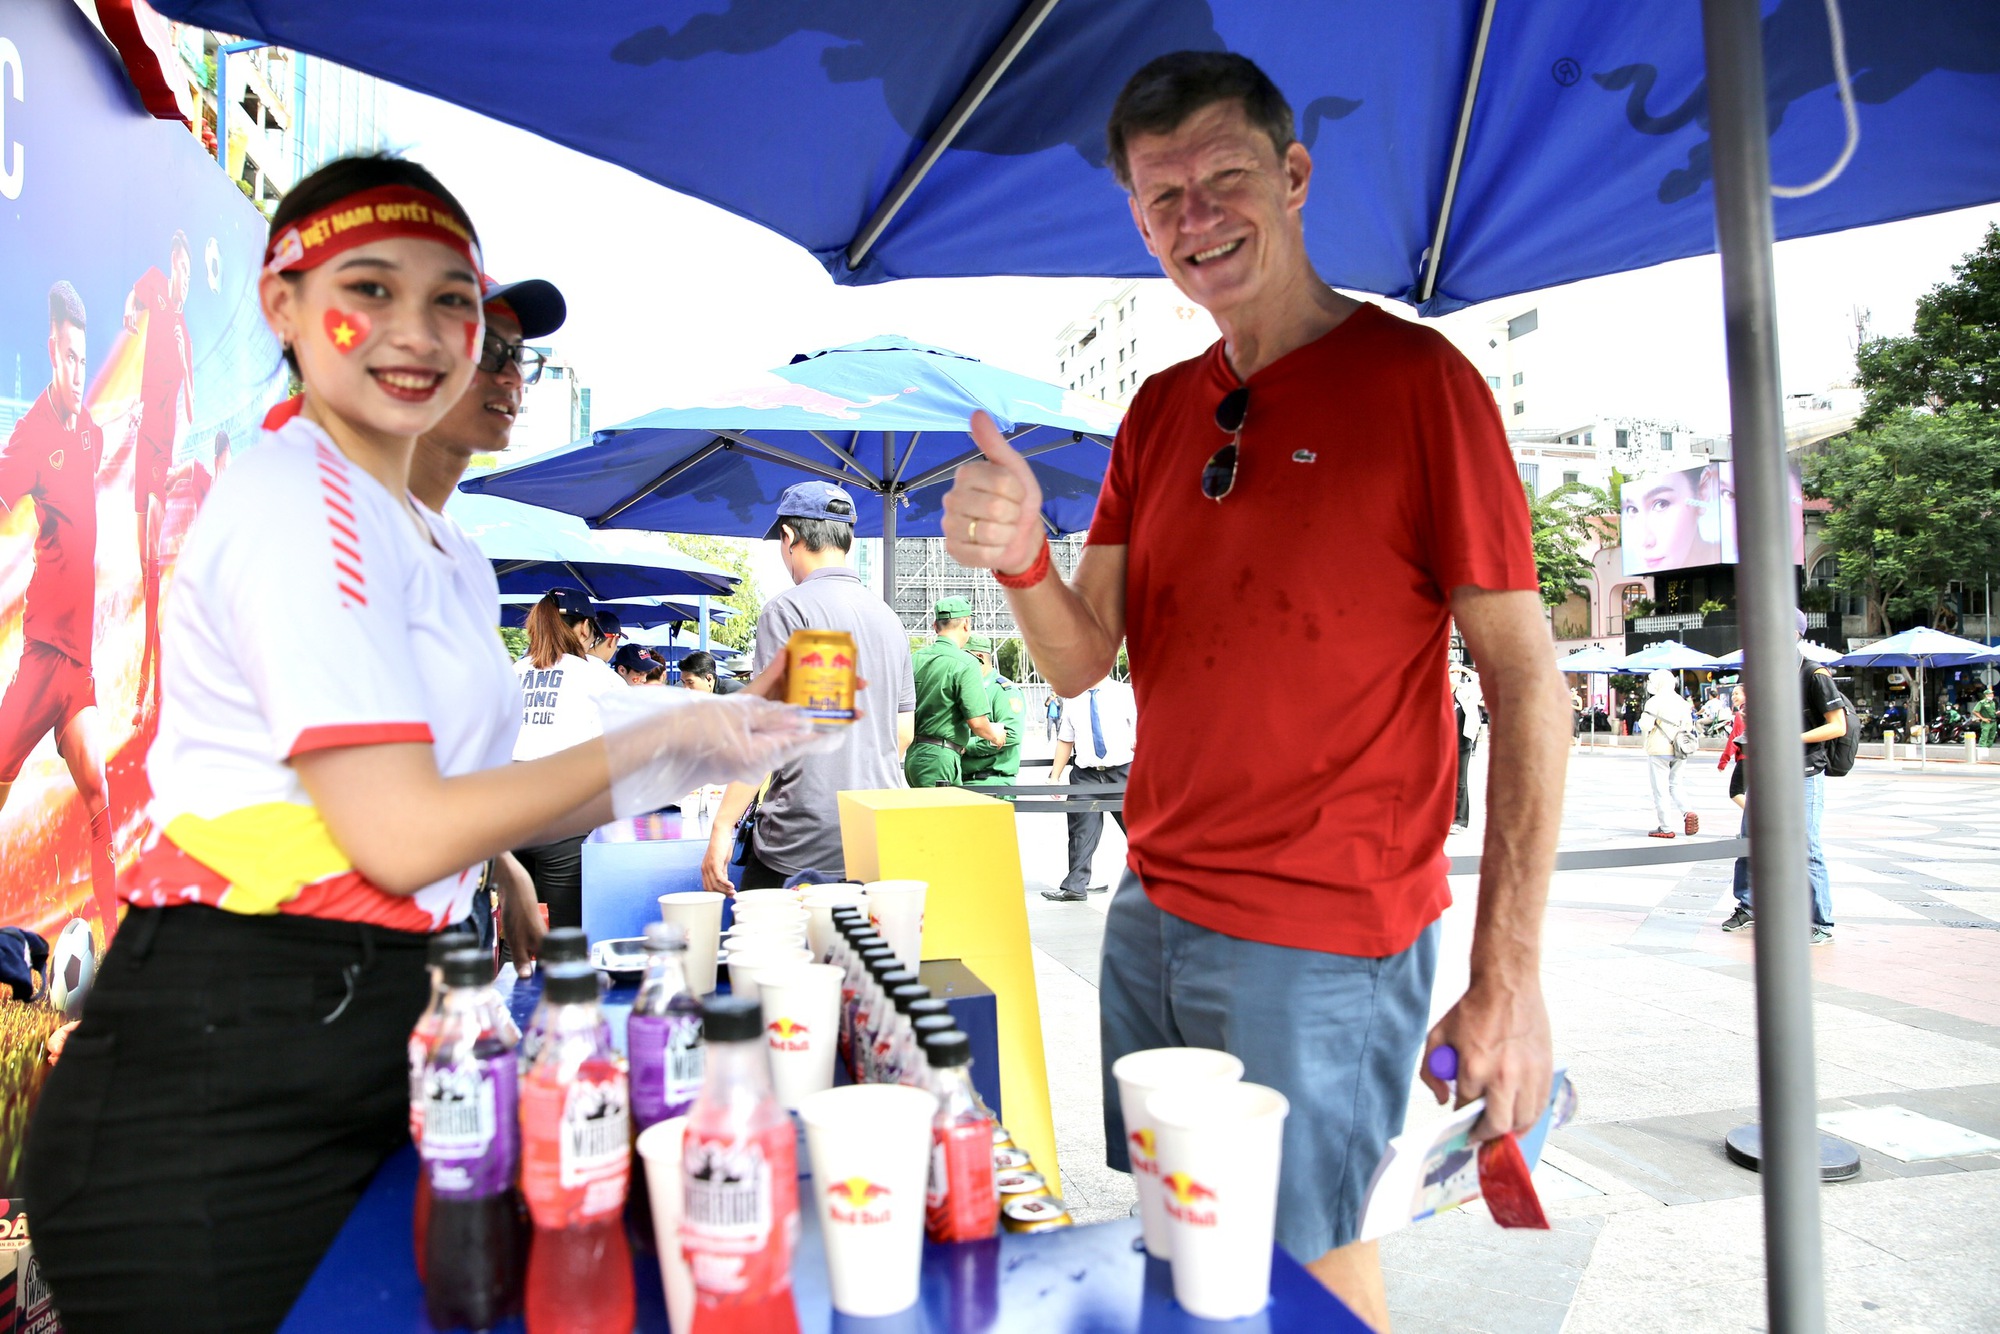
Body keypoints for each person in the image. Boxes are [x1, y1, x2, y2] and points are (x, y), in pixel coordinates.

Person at [22, 154, 821, 1332]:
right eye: (371, 287)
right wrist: (675, 727)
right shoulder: (290, 497)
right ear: (283, 306)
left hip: (370, 1044)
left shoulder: (448, 554)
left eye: (453, 297)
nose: (423, 331)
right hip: (214, 1087)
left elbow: (480, 798)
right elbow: (399, 832)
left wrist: (704, 746)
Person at [940, 53, 1566, 1322]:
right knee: (1186, 1249)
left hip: (1325, 931)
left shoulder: (1417, 382)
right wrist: (1018, 559)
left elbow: (1528, 679)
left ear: (1290, 176)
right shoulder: (1159, 412)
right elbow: (1079, 656)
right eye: (1159, 196)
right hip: (1154, 905)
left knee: (1305, 1272)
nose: (1194, 218)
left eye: (1224, 177)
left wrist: (1506, 970)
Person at [407, 270, 569, 972]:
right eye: (486, 352)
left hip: (461, 911)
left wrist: (502, 865)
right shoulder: (336, 537)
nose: (512, 379)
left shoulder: (467, 561)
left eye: (519, 357)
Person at [703, 481, 915, 891]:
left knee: (763, 949)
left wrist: (723, 824)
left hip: (802, 840)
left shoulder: (790, 610)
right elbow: (902, 734)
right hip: (876, 832)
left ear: (789, 537)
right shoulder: (889, 619)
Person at [0, 282, 117, 940]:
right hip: (41, 658)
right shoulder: (30, 435)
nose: (77, 371)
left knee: (100, 795)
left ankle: (115, 961)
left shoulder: (93, 437)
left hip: (78, 670)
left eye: (84, 359)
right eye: (69, 358)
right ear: (51, 351)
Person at [1721, 612, 1845, 943]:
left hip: (1804, 770)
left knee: (1807, 845)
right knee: (1748, 839)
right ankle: (1748, 906)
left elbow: (1838, 725)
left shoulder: (1813, 673)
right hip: (1766, 769)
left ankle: (1821, 921)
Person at [511, 586, 625, 928]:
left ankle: (514, 979)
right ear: (584, 629)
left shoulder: (513, 672)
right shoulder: (595, 675)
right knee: (564, 934)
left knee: (516, 929)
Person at [125, 233, 196, 726]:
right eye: (182, 269)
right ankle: (144, 676)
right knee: (140, 567)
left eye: (190, 274)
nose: (184, 280)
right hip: (142, 435)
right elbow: (133, 297)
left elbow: (191, 399)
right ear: (172, 266)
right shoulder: (157, 289)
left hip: (163, 450)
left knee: (152, 571)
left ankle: (146, 687)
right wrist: (130, 313)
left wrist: (180, 450)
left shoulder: (184, 331)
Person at [1042, 673, 1137, 902]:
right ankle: (1075, 887)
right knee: (1080, 831)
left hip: (1123, 772)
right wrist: (1055, 777)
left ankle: (1160, 881)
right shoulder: (1073, 698)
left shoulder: (1125, 693)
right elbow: (1066, 739)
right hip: (1086, 776)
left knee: (1140, 830)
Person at [905, 596, 1004, 788]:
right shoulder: (966, 663)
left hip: (915, 755)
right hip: (941, 758)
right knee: (941, 817)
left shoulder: (914, 659)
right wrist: (995, 735)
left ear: (935, 625)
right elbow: (977, 722)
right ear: (966, 624)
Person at [1622, 467, 1720, 574]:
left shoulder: (1736, 560)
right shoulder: (1635, 579)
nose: (1644, 541)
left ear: (1702, 493)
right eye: (1632, 509)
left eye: (1661, 504)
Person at [962, 634, 1026, 788]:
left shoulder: (1003, 691)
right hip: (965, 781)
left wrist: (966, 746)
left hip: (991, 782)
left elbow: (1011, 734)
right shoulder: (968, 689)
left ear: (979, 657)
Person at [1639, 668, 1697, 838]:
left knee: (1660, 789)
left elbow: (1645, 725)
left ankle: (1665, 828)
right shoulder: (1682, 702)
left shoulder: (1654, 701)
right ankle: (1688, 812)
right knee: (1676, 785)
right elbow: (1688, 726)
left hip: (1659, 749)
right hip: (1680, 748)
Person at [1451, 665, 1484, 830]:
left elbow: (1481, 682)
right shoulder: (1439, 692)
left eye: (1457, 673)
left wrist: (1465, 669)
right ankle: (1446, 818)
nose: (1455, 676)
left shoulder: (1465, 692)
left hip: (1462, 742)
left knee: (1460, 782)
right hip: (1444, 744)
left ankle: (1460, 820)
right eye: (1451, 672)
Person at [1972, 682, 1997, 749]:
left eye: (1992, 694)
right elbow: (1975, 711)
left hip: (1993, 721)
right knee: (1984, 736)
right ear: (1986, 695)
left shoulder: (1993, 703)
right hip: (1986, 721)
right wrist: (1983, 718)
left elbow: (1992, 712)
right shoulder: (1982, 703)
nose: (1992, 695)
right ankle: (1982, 748)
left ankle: (1988, 748)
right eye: (1990, 694)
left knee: (1992, 736)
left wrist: (1996, 713)